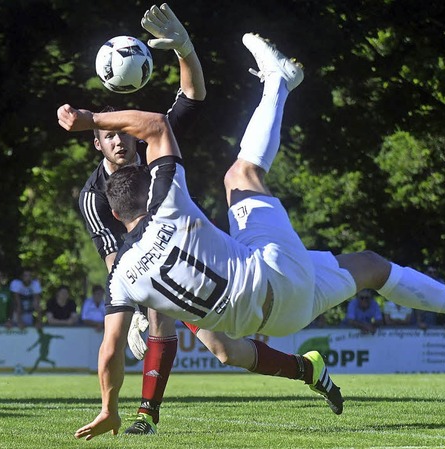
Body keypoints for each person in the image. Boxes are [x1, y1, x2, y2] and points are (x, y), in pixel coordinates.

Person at [59, 31, 445, 441]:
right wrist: (92, 114)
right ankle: (278, 82)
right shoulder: (160, 198)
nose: (121, 140)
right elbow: (159, 124)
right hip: (268, 271)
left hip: (282, 315)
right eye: (109, 135)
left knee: (367, 265)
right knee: (241, 172)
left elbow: (109, 346)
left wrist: (107, 404)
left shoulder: (122, 269)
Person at [76, 4, 342, 436]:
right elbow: (113, 259)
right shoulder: (94, 197)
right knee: (207, 341)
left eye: (125, 132)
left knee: (226, 352)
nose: (122, 141)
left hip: (191, 247)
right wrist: (137, 308)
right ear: (97, 145)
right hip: (147, 268)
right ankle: (303, 371)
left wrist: (185, 48)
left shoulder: (152, 148)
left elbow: (193, 97)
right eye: (111, 136)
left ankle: (147, 415)